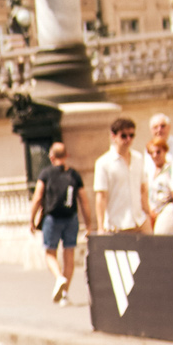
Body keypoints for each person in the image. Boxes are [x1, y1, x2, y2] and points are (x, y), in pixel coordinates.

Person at [29, 140, 85, 302]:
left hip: (52, 218)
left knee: (50, 253)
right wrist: (88, 223)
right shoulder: (74, 174)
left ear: (51, 157)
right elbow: (84, 200)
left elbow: (38, 197)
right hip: (71, 218)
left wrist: (32, 219)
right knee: (69, 255)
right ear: (66, 155)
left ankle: (59, 277)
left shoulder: (46, 173)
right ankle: (65, 294)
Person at [92, 115, 152, 236]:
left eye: (131, 135)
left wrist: (148, 214)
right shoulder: (103, 163)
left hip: (140, 221)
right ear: (113, 136)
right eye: (123, 135)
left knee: (151, 253)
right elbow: (101, 196)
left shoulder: (138, 158)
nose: (128, 139)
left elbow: (143, 189)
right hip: (117, 224)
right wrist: (100, 227)